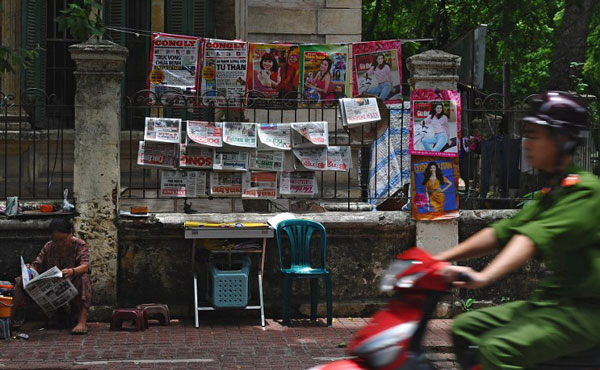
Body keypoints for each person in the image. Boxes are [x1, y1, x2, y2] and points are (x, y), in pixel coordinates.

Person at [435, 91, 600, 369]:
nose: (527, 144)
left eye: (536, 135)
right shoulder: (554, 191)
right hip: (549, 304)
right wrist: (438, 259)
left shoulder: (585, 191)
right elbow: (505, 231)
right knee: (465, 327)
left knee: (497, 351)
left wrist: (484, 276)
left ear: (562, 140)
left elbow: (530, 238)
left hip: (583, 313)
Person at [11, 218, 92, 335]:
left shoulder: (80, 245)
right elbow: (36, 265)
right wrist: (29, 271)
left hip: (72, 286)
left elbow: (85, 266)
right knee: (19, 282)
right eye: (55, 240)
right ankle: (9, 320)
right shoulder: (49, 247)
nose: (59, 244)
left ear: (70, 233)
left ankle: (82, 321)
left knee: (85, 278)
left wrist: (72, 271)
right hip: (50, 290)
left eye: (63, 240)